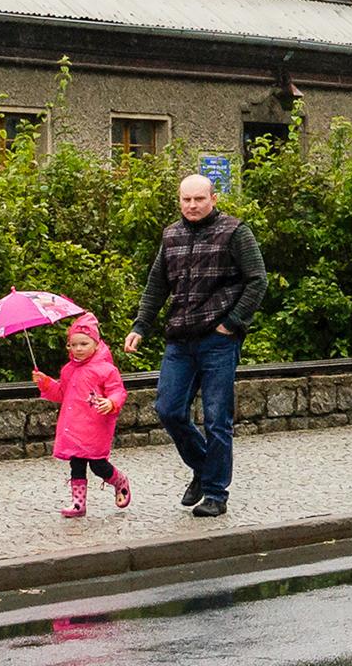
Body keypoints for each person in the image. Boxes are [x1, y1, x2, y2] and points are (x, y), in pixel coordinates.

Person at [123, 171, 267, 519]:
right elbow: (157, 284)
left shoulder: (235, 231)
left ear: (213, 199)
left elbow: (257, 280)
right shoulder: (170, 235)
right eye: (186, 199)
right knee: (168, 410)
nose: (192, 205)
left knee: (218, 418)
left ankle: (216, 493)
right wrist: (141, 324)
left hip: (218, 340)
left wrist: (230, 324)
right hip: (179, 339)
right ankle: (204, 469)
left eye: (199, 199)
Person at [33, 314, 131, 519]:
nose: (78, 349)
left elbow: (118, 391)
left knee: (98, 465)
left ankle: (119, 480)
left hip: (95, 426)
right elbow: (62, 394)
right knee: (76, 464)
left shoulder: (106, 370)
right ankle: (78, 504)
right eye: (73, 344)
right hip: (73, 426)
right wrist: (46, 383)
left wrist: (111, 402)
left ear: (96, 344)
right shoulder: (68, 370)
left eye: (84, 343)